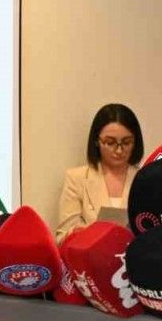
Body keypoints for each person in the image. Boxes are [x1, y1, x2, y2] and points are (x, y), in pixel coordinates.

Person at [55, 103, 144, 243]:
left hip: (136, 255)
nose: (119, 150)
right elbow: (62, 238)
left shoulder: (145, 179)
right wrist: (85, 233)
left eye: (126, 143)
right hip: (89, 255)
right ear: (96, 141)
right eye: (110, 142)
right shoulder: (76, 178)